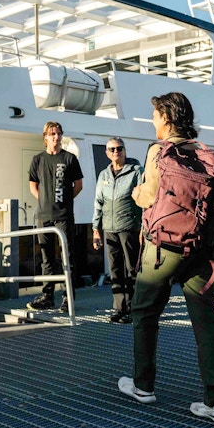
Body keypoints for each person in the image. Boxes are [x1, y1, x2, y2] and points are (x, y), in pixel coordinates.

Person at [118, 92, 214, 426]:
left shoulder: (159, 151)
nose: (153, 121)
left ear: (167, 118)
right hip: (201, 249)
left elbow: (148, 195)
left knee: (144, 313)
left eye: (155, 115)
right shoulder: (202, 151)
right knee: (206, 322)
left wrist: (136, 191)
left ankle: (143, 385)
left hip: (164, 249)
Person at [27, 121, 83, 312]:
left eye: (59, 133)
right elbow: (33, 185)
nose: (56, 137)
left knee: (67, 257)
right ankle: (47, 296)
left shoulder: (69, 158)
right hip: (44, 216)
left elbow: (78, 185)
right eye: (52, 134)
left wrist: (64, 201)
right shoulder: (38, 159)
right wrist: (45, 201)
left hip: (64, 216)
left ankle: (68, 298)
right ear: (45, 137)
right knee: (46, 257)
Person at [92, 137, 143, 323]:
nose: (116, 152)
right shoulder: (103, 175)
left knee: (132, 268)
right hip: (110, 228)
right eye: (112, 149)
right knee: (115, 269)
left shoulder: (136, 171)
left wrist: (144, 228)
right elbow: (98, 202)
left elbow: (143, 201)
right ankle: (119, 308)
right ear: (107, 153)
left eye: (119, 148)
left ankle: (133, 308)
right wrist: (96, 229)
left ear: (124, 151)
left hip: (129, 227)